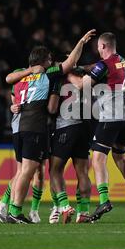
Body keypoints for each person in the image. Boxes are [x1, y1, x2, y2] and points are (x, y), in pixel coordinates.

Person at [3, 29, 96, 223]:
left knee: (25, 170)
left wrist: (14, 105)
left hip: (18, 126)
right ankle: (15, 210)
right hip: (36, 126)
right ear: (44, 62)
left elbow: (9, 81)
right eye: (50, 60)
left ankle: (11, 207)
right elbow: (69, 65)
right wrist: (81, 42)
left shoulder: (20, 76)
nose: (52, 62)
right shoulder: (49, 74)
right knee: (30, 170)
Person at [82, 32, 125, 222]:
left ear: (104, 46)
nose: (98, 50)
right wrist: (84, 67)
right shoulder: (122, 60)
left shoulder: (104, 65)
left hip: (111, 117)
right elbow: (100, 69)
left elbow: (86, 84)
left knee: (98, 158)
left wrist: (75, 74)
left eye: (99, 47)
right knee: (121, 157)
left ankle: (104, 200)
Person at [0, 69, 55, 224]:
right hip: (26, 127)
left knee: (40, 171)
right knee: (23, 170)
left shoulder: (45, 76)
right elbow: (14, 97)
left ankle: (33, 211)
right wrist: (12, 107)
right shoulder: (21, 74)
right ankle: (6, 204)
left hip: (42, 127)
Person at [48, 67, 93, 224]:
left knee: (55, 170)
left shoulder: (59, 81)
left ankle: (65, 206)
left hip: (65, 127)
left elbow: (52, 108)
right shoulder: (85, 79)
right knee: (82, 172)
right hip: (84, 128)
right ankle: (84, 212)